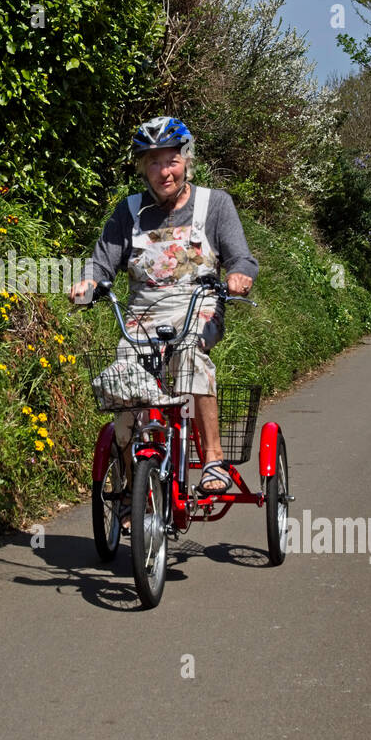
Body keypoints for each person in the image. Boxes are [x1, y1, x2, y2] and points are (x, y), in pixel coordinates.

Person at [69, 116, 258, 523]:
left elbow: (241, 256)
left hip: (199, 304)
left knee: (190, 356)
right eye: (152, 163)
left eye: (170, 161)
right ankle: (128, 486)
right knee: (123, 384)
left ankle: (212, 459)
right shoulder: (130, 210)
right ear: (143, 168)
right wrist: (89, 282)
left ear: (186, 161)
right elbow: (102, 262)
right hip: (142, 312)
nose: (163, 172)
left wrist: (239, 276)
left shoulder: (214, 204)